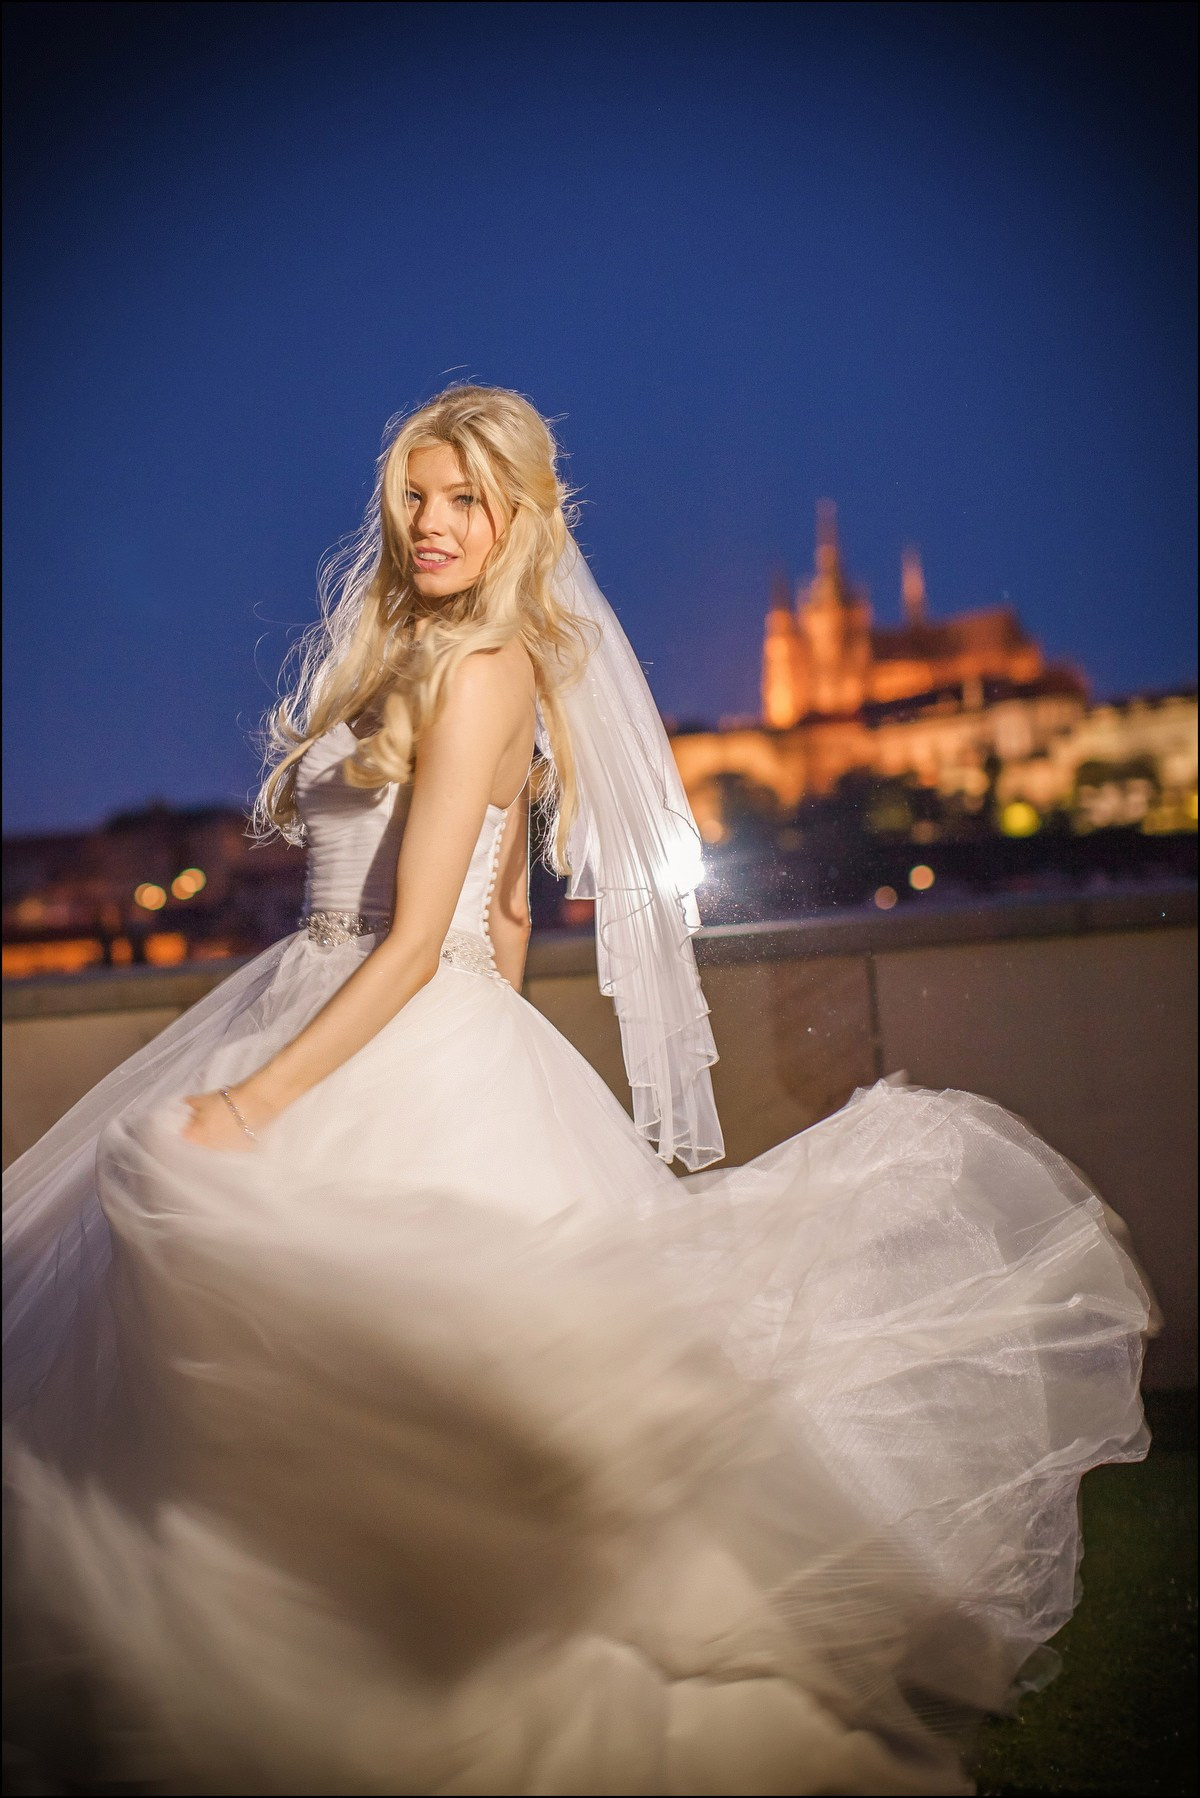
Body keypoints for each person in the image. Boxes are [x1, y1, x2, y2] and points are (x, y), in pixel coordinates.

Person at [3, 385, 1151, 1797]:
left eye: (464, 501)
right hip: (367, 1009)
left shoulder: (483, 668)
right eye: (416, 497)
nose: (432, 525)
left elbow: (426, 939)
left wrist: (254, 1102)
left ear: (519, 516)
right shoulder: (434, 651)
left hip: (372, 1019)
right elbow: (499, 924)